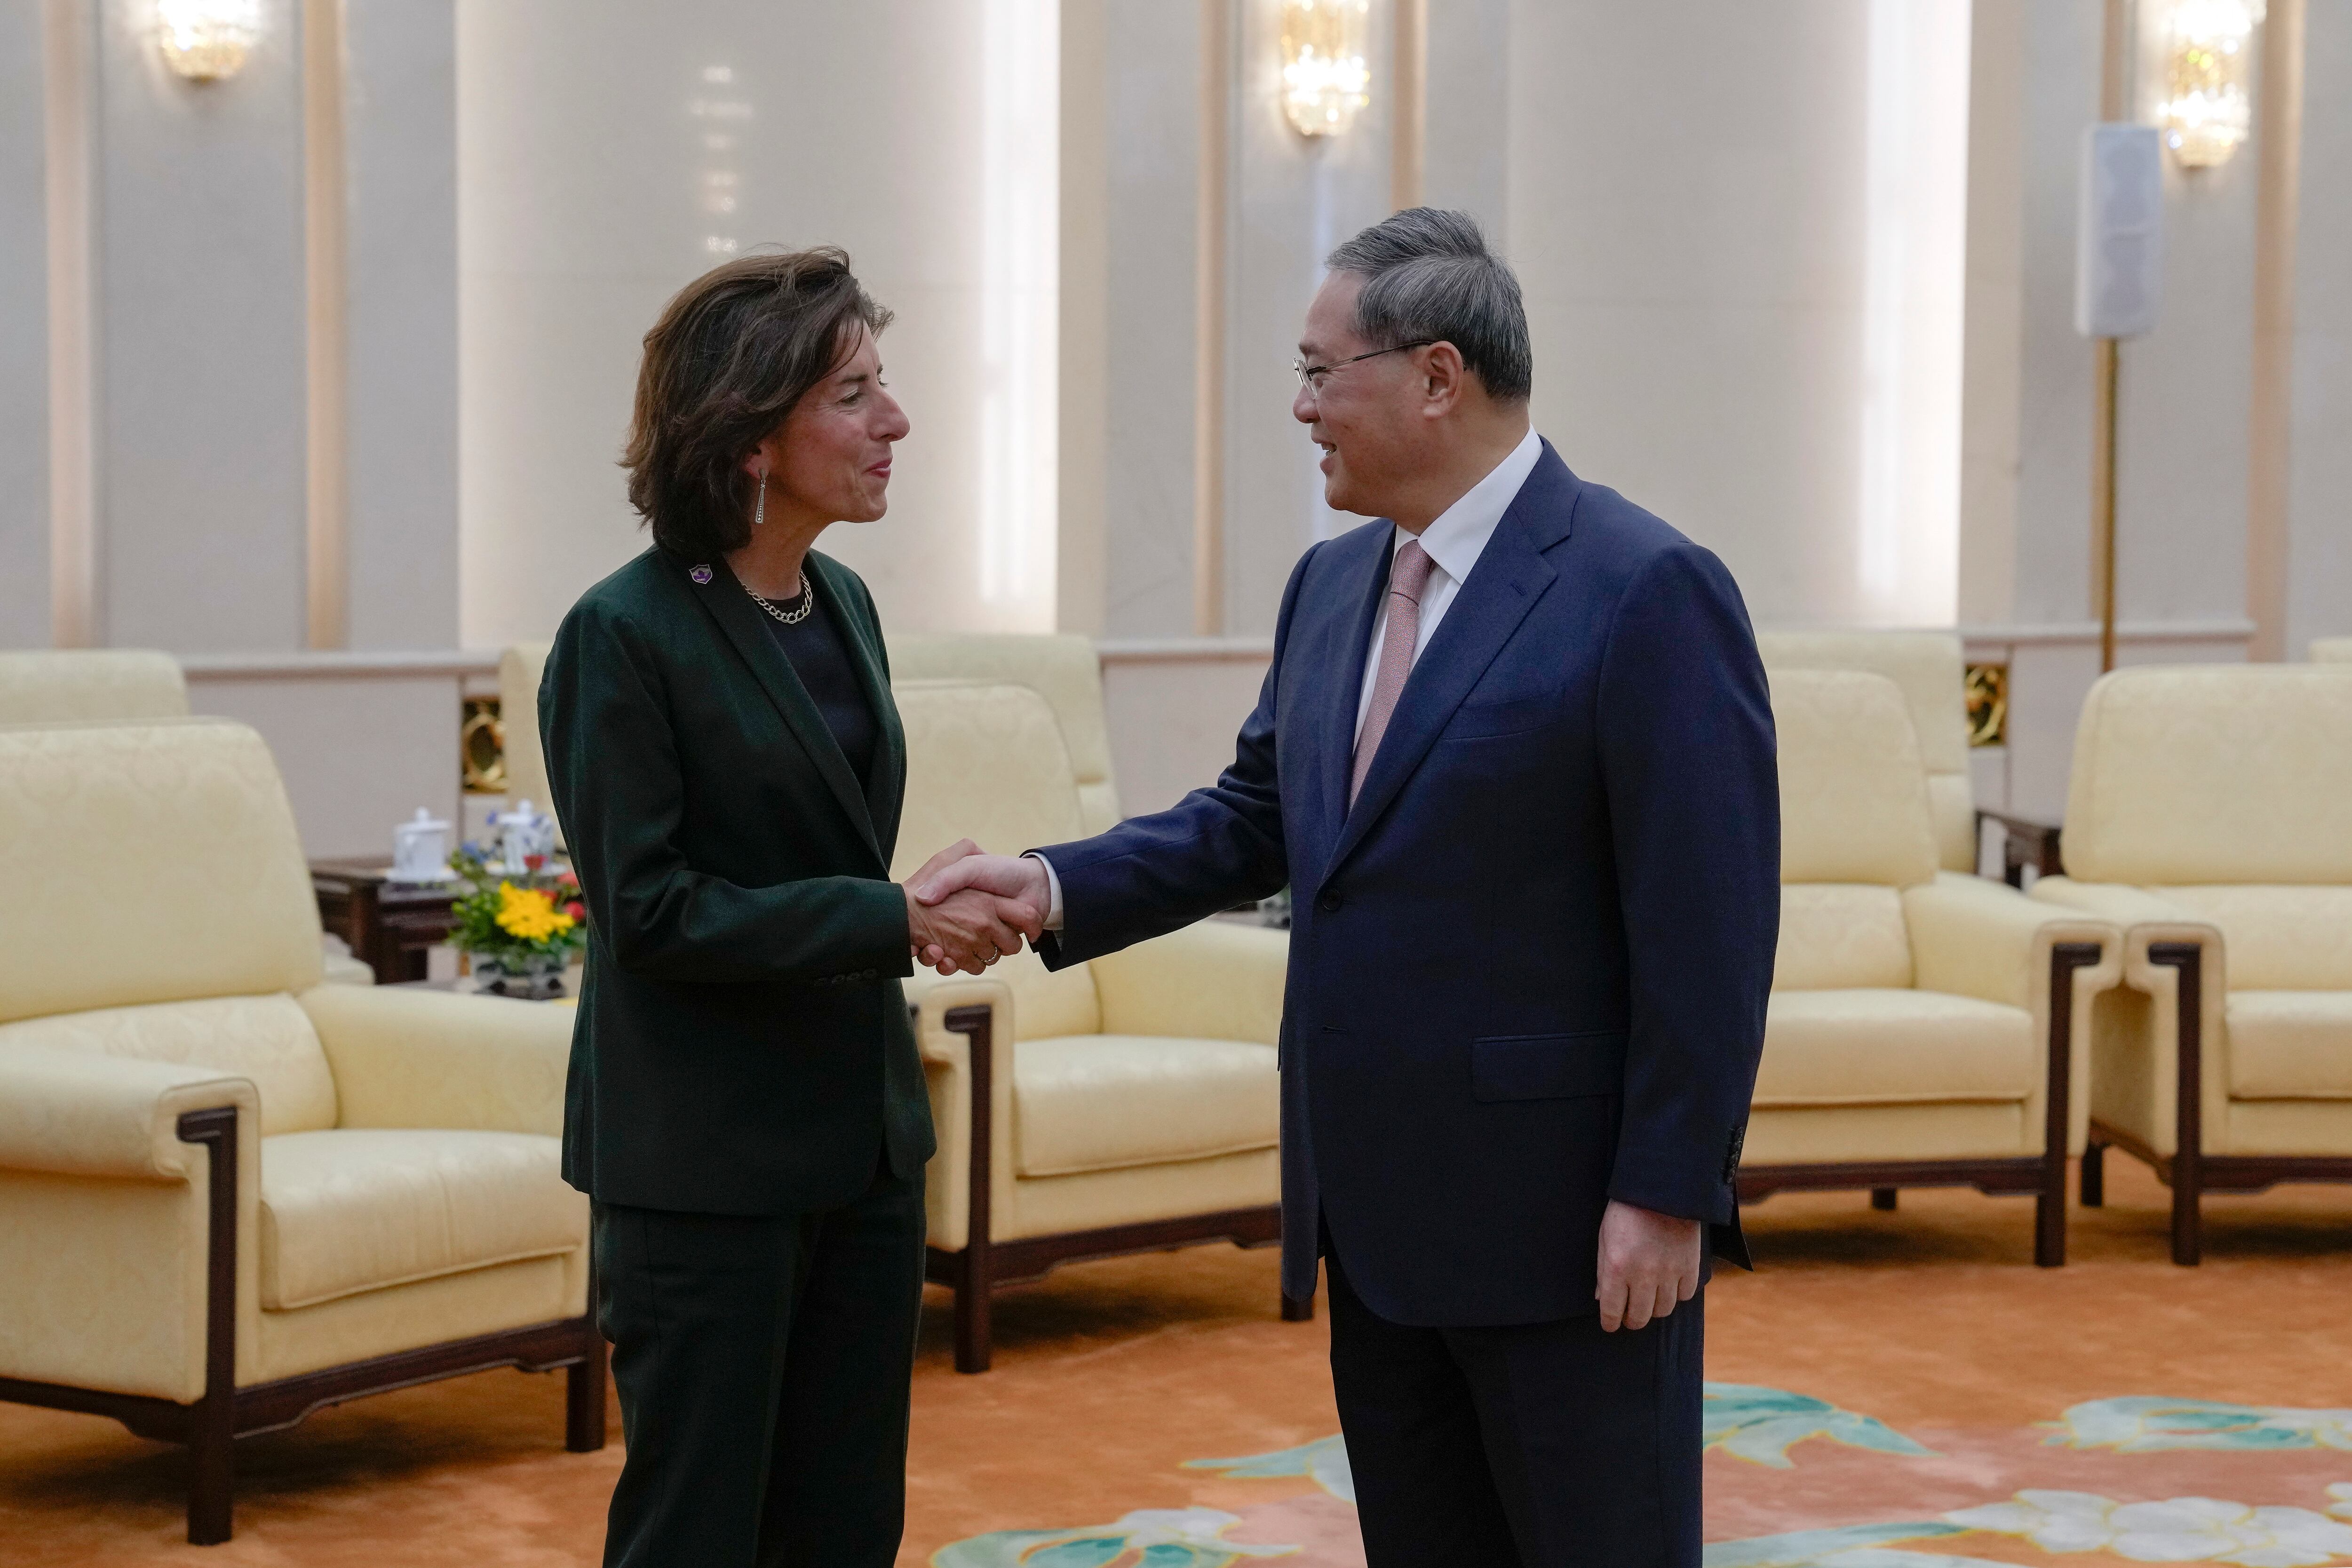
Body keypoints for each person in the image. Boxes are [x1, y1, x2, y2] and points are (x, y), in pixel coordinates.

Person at [914, 209, 1779, 1567]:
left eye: (1323, 373)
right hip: (1373, 1221)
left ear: (1438, 377)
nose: (1302, 407)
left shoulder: (1642, 587)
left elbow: (1709, 930)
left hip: (1567, 1231)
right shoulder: (1331, 586)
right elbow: (1256, 816)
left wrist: (1669, 1192)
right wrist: (1048, 884)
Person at [539, 247, 1041, 1568]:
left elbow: (807, 841)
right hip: (703, 1165)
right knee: (697, 1531)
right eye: (857, 392)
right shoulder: (624, 633)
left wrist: (903, 912)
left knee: (843, 1523)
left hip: (861, 1150)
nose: (897, 422)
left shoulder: (847, 606)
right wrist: (893, 918)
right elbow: (649, 912)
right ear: (753, 432)